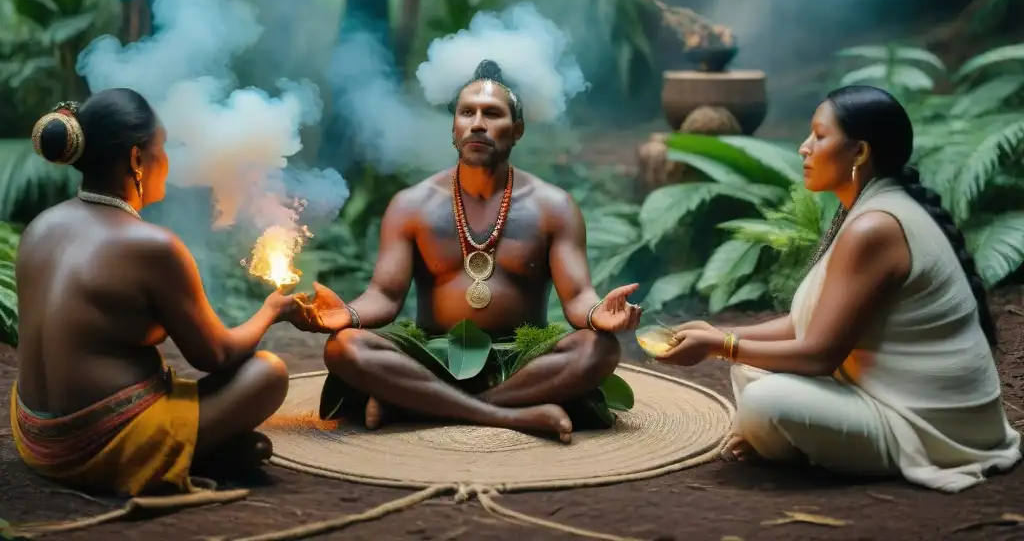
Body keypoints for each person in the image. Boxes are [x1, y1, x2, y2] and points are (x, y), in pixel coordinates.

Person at [656, 85, 1022, 492]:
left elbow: (818, 354)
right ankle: (782, 438)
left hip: (928, 427)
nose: (803, 148)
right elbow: (803, 324)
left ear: (860, 152)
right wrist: (716, 334)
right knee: (751, 368)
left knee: (765, 399)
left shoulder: (874, 227)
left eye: (819, 135)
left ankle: (783, 442)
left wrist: (717, 346)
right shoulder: (869, 207)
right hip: (880, 394)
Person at [289, 60, 642, 442]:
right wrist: (349, 313)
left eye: (492, 113)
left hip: (522, 359)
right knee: (345, 347)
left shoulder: (553, 206)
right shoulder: (412, 205)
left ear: (517, 130)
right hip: (433, 356)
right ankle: (513, 414)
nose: (477, 123)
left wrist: (597, 314)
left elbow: (576, 298)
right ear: (454, 129)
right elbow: (385, 296)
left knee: (599, 349)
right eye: (467, 112)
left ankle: (414, 404)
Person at [10, 90, 300, 497]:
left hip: (36, 437)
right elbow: (214, 355)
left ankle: (202, 446)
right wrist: (271, 310)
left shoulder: (39, 227)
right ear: (135, 159)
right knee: (268, 373)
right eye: (161, 148)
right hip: (100, 443)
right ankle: (178, 452)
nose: (167, 161)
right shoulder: (152, 246)